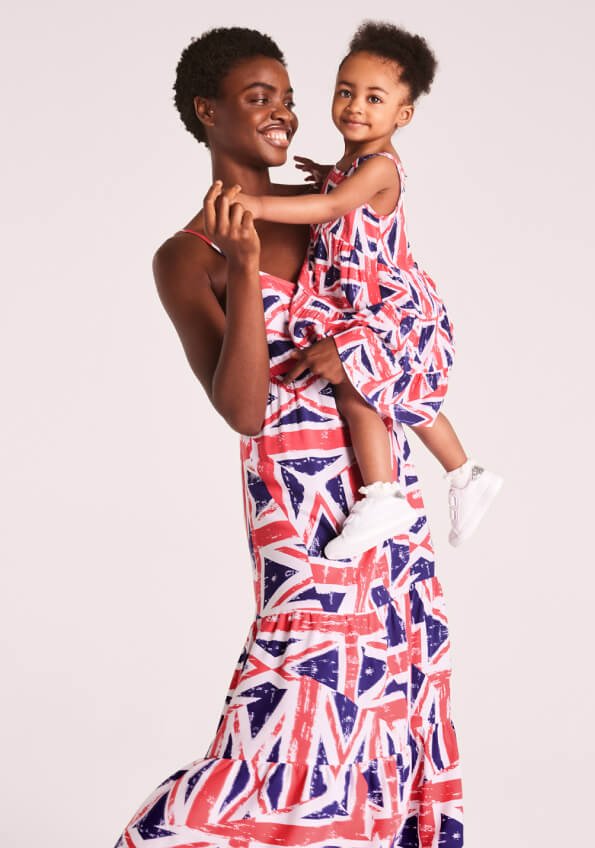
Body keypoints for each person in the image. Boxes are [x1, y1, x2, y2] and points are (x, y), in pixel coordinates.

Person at [113, 26, 464, 847]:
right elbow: (241, 407)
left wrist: (359, 358)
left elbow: (404, 323)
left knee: (376, 697)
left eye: (287, 96)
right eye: (257, 97)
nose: (284, 113)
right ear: (208, 112)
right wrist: (240, 267)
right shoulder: (186, 256)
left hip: (378, 490)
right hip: (296, 500)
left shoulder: (325, 216)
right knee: (288, 694)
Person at [234, 21, 502, 560]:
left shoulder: (379, 167)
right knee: (406, 400)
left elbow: (332, 208)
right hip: (359, 303)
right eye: (345, 91)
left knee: (361, 393)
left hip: (385, 306)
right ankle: (466, 474)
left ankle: (382, 495)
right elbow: (332, 190)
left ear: (402, 115)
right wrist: (321, 173)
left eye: (374, 98)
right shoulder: (350, 165)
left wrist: (258, 205)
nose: (355, 106)